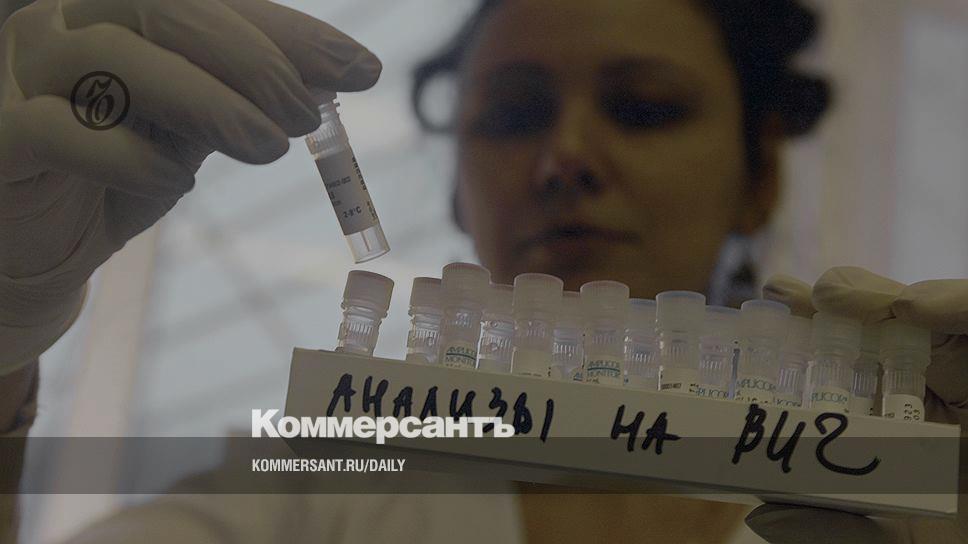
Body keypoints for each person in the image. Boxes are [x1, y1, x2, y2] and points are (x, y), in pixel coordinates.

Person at [0, 0, 965, 543]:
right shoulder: (320, 492)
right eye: (512, 116)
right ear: (461, 189)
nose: (564, 159)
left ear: (760, 178)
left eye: (643, 108)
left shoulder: (893, 506)